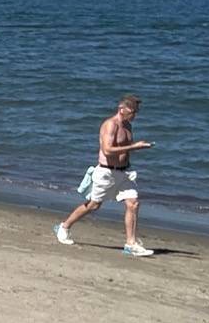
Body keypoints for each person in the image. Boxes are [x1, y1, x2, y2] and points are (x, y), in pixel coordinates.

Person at [55, 93, 156, 256]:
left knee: (133, 203)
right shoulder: (110, 125)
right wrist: (134, 147)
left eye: (136, 112)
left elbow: (125, 147)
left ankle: (131, 243)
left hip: (124, 173)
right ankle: (64, 226)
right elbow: (108, 150)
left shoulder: (128, 126)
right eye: (132, 112)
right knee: (94, 205)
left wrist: (138, 147)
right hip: (106, 172)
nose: (135, 115)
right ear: (122, 109)